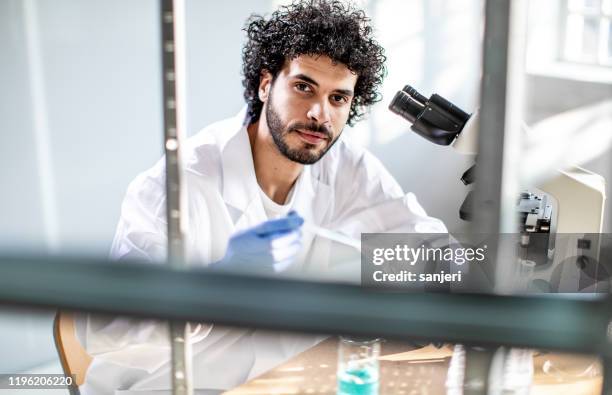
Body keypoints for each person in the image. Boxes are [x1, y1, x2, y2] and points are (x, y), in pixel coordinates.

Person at [77, 1, 446, 393]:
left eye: (338, 98)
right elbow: (107, 329)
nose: (320, 114)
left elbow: (433, 245)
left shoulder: (343, 164)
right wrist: (217, 282)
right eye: (304, 87)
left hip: (278, 378)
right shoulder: (179, 185)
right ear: (266, 84)